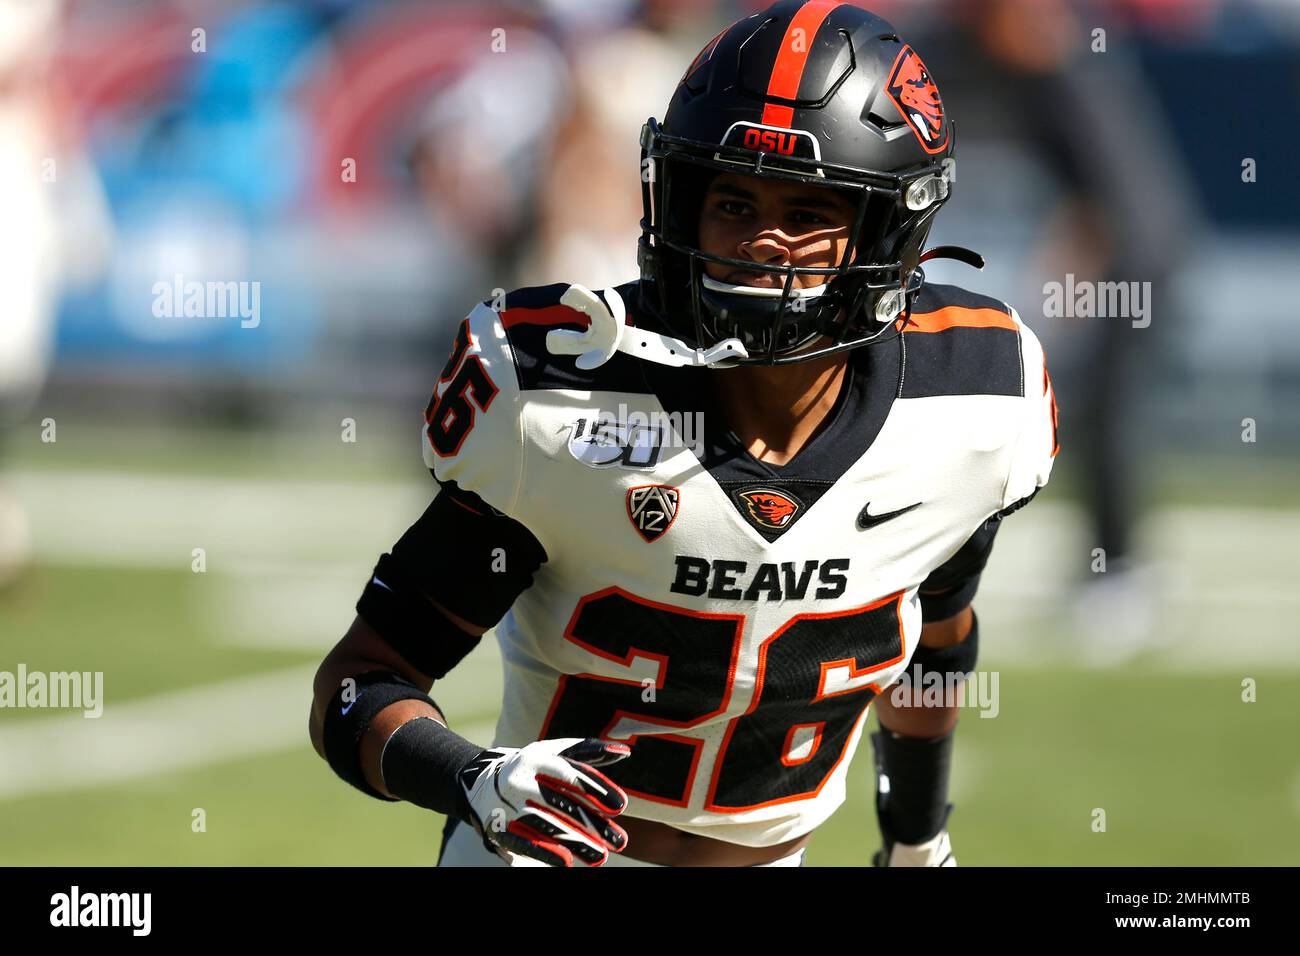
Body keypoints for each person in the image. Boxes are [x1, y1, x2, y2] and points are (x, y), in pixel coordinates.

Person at [308, 0, 1058, 868]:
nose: (762, 243)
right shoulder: (562, 394)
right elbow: (360, 682)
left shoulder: (974, 403)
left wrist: (918, 838)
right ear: (679, 198)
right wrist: (471, 776)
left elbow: (935, 642)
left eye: (808, 210)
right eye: (732, 200)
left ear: (892, 231)